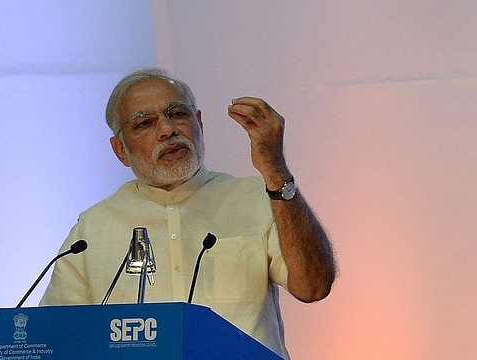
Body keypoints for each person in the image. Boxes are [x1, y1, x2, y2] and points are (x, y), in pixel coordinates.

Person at [39, 68, 336, 359]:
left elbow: (313, 287)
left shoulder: (259, 198)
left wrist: (276, 171)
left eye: (178, 114)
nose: (167, 130)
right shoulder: (94, 228)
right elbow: (55, 337)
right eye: (145, 124)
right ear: (120, 150)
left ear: (200, 123)